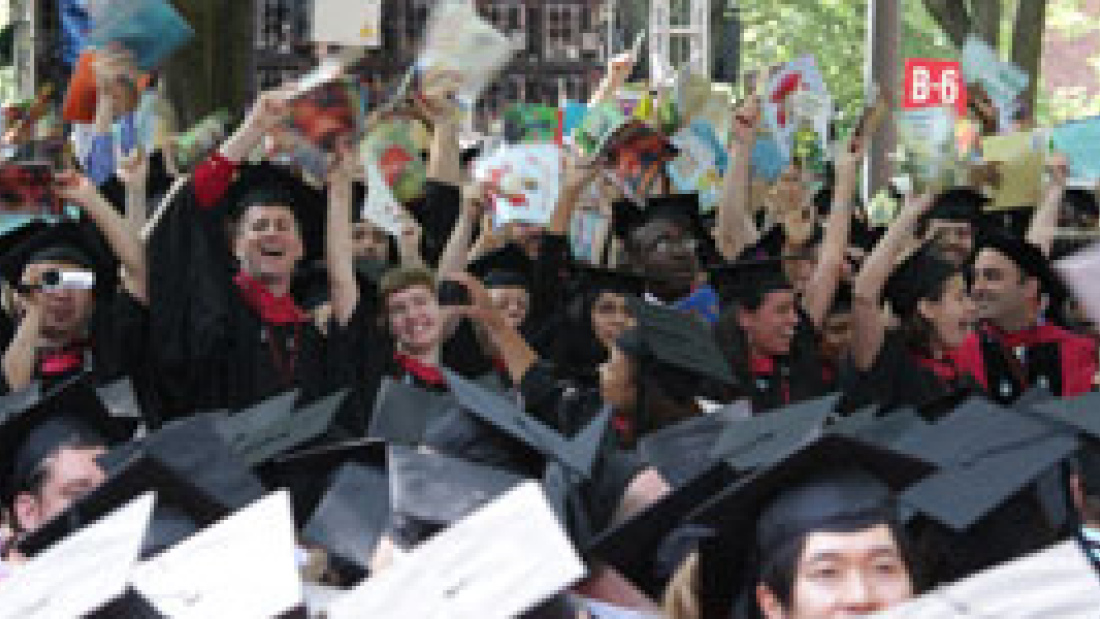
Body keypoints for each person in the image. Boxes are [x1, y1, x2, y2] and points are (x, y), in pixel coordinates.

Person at [147, 88, 333, 417]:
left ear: (301, 247)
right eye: (259, 227)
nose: (272, 233)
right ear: (234, 245)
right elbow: (192, 207)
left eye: (282, 226)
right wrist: (253, 129)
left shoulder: (314, 330)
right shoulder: (214, 310)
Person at [0, 172, 150, 410]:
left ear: (92, 299)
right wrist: (34, 314)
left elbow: (140, 274)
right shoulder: (11, 350)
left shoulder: (110, 341)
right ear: (20, 297)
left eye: (76, 282)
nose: (62, 294)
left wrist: (92, 200)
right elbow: (9, 396)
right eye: (50, 281)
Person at [847, 190, 985, 412]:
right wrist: (908, 216)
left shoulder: (961, 377)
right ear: (927, 307)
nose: (971, 306)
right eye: (960, 298)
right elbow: (864, 295)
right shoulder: (887, 362)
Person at [968, 230, 1097, 401]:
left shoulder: (1074, 349)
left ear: (1029, 287)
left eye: (992, 277)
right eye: (974, 277)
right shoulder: (963, 348)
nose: (978, 288)